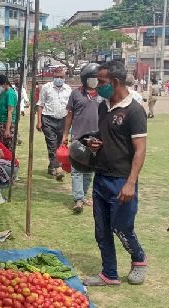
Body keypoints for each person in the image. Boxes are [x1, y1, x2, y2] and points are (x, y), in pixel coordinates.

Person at [84, 60, 147, 286]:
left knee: (121, 227)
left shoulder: (134, 111)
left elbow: (140, 150)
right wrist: (94, 143)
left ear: (116, 82)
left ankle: (139, 259)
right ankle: (109, 273)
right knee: (101, 230)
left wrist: (130, 182)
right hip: (101, 176)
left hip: (122, 179)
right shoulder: (103, 106)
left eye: (102, 82)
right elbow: (105, 137)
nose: (98, 86)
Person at [62, 63, 101, 213]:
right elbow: (69, 115)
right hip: (78, 137)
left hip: (96, 139)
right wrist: (65, 134)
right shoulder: (76, 94)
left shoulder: (103, 95)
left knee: (89, 169)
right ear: (85, 79)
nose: (95, 81)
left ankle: (84, 195)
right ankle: (78, 199)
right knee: (77, 169)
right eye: (92, 78)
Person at [36, 67, 72, 181]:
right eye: (57, 77)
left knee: (59, 145)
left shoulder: (68, 89)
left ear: (64, 77)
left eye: (61, 77)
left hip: (62, 120)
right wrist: (39, 121)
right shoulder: (47, 87)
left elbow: (70, 108)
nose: (59, 79)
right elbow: (40, 104)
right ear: (53, 77)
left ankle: (52, 166)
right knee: (51, 144)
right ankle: (57, 168)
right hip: (48, 119)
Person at [0, 75, 18, 150]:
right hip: (1, 122)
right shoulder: (3, 93)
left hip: (7, 123)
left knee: (7, 147)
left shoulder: (10, 94)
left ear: (4, 83)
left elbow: (10, 112)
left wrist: (7, 129)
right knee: (1, 147)